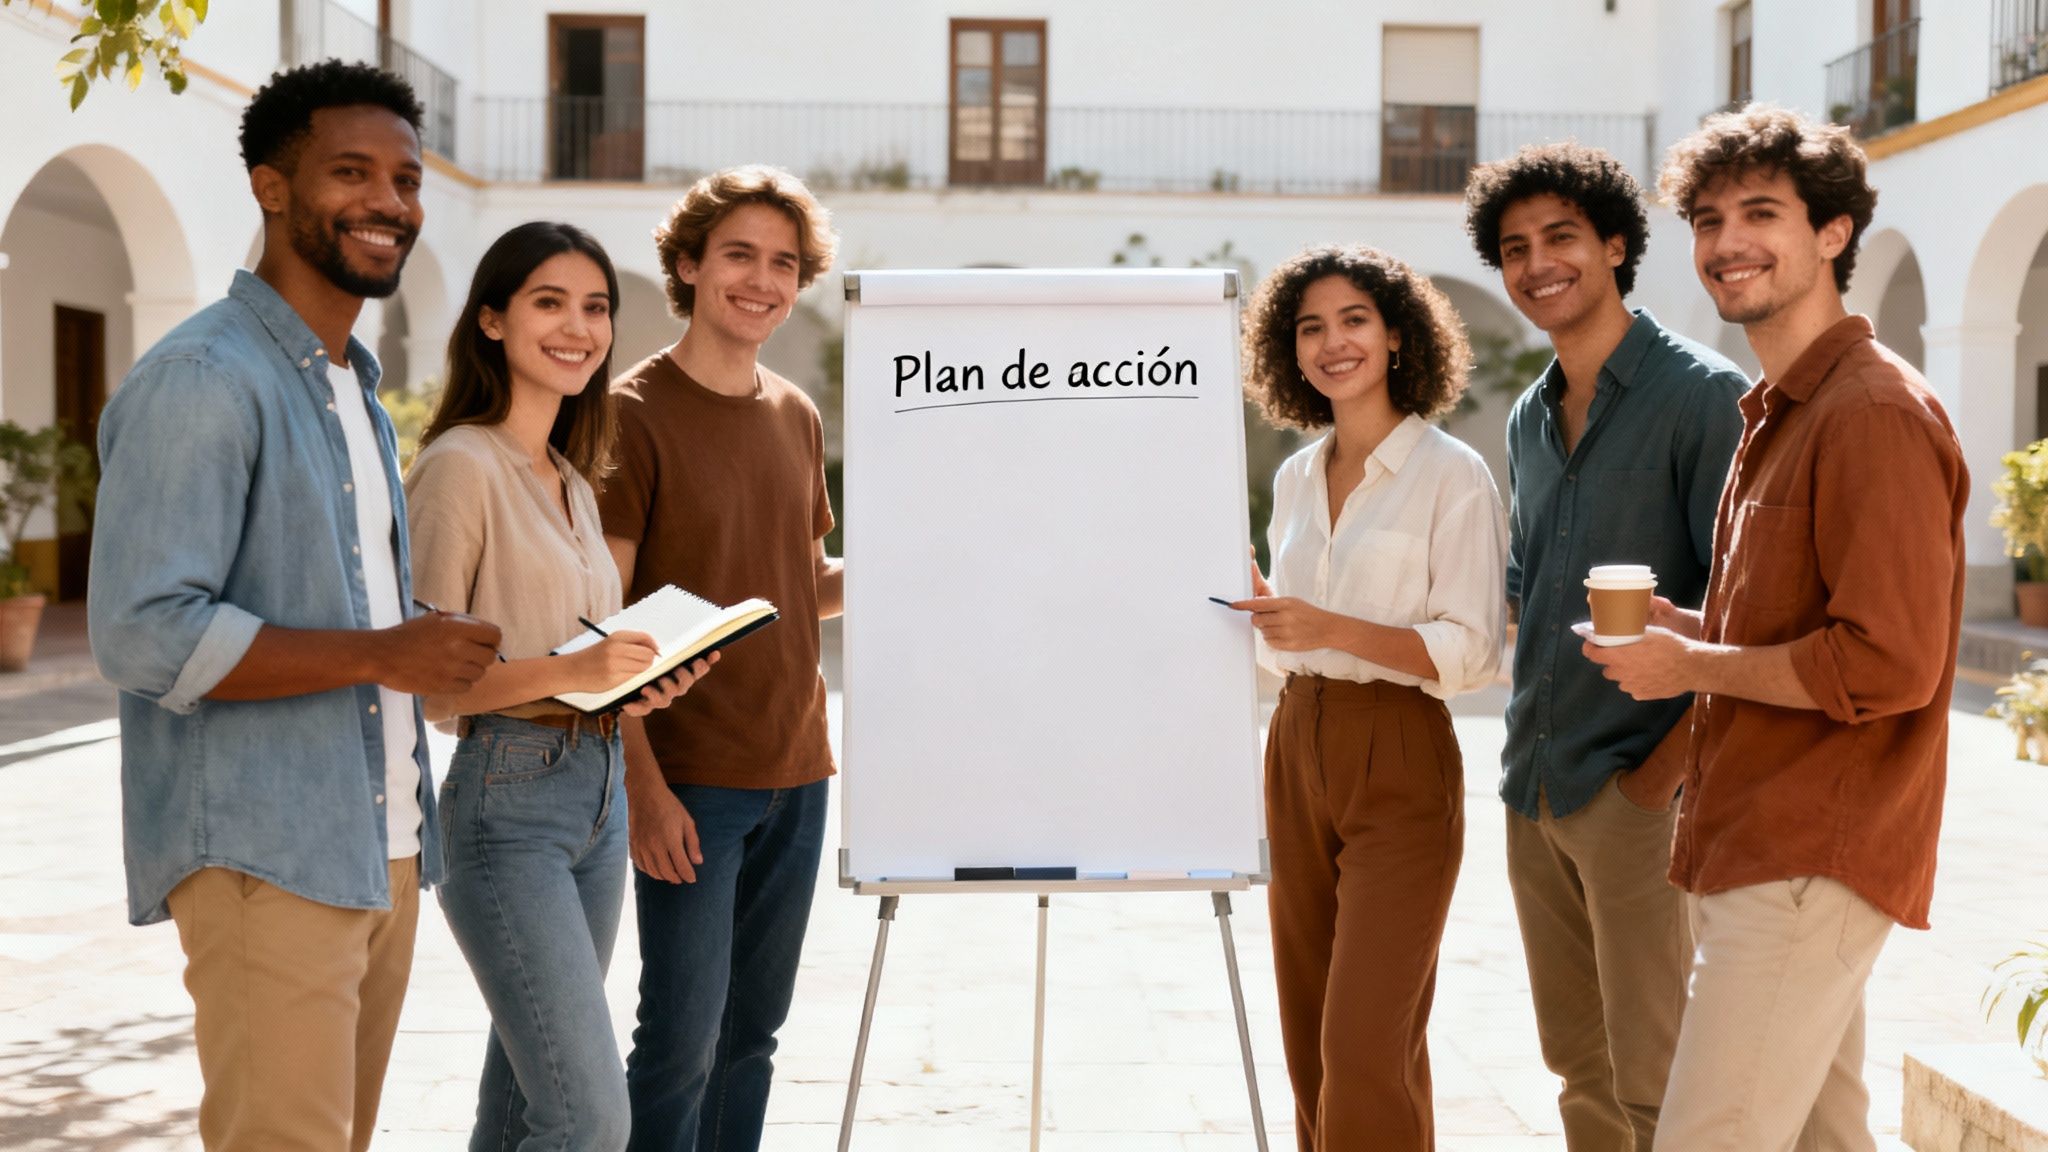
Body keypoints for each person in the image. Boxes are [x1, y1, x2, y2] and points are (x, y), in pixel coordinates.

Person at [87, 60, 503, 1151]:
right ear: (274, 188)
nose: (390, 204)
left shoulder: (354, 391)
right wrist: (381, 654)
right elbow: (142, 631)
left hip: (385, 843)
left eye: (406, 181)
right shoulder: (203, 379)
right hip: (266, 854)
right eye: (352, 173)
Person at [1586, 105, 1968, 1150]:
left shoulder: (1869, 414)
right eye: (1706, 220)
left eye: (1760, 212)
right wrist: (1690, 626)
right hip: (1760, 841)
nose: (1725, 243)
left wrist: (1688, 663)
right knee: (1819, 1140)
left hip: (1807, 857)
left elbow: (1886, 662)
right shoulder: (1781, 410)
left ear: (1831, 233)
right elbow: (1803, 623)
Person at [1462, 143, 1747, 1149]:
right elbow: (1524, 586)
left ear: (1615, 245)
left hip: (1639, 795)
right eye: (1513, 248)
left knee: (1658, 1081)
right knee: (1577, 1070)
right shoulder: (1529, 417)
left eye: (1560, 238)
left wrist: (1654, 787)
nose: (1536, 263)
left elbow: (1742, 613)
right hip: (1532, 787)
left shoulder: (1702, 397)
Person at [405, 221, 713, 1151]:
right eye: (550, 302)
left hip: (599, 792)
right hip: (507, 805)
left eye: (595, 308)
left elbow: (581, 655)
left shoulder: (575, 480)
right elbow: (425, 680)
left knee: (523, 1103)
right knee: (587, 1118)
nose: (578, 327)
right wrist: (578, 672)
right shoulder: (460, 466)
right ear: (492, 320)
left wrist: (633, 686)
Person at [1232, 244, 1507, 1151]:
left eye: (1354, 320)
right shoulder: (1295, 478)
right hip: (1296, 745)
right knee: (1314, 1039)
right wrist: (1265, 611)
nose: (1331, 342)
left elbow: (1471, 651)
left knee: (1362, 1046)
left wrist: (1330, 627)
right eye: (1310, 326)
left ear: (1396, 336)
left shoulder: (1451, 473)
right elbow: (1289, 647)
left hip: (1400, 755)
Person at [597, 165, 842, 1152]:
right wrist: (642, 788)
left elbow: (797, 583)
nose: (762, 280)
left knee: (754, 1038)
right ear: (689, 265)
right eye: (739, 254)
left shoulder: (795, 413)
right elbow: (601, 626)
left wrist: (920, 556)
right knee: (679, 1043)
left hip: (799, 769)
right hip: (691, 777)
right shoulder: (629, 412)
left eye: (783, 263)